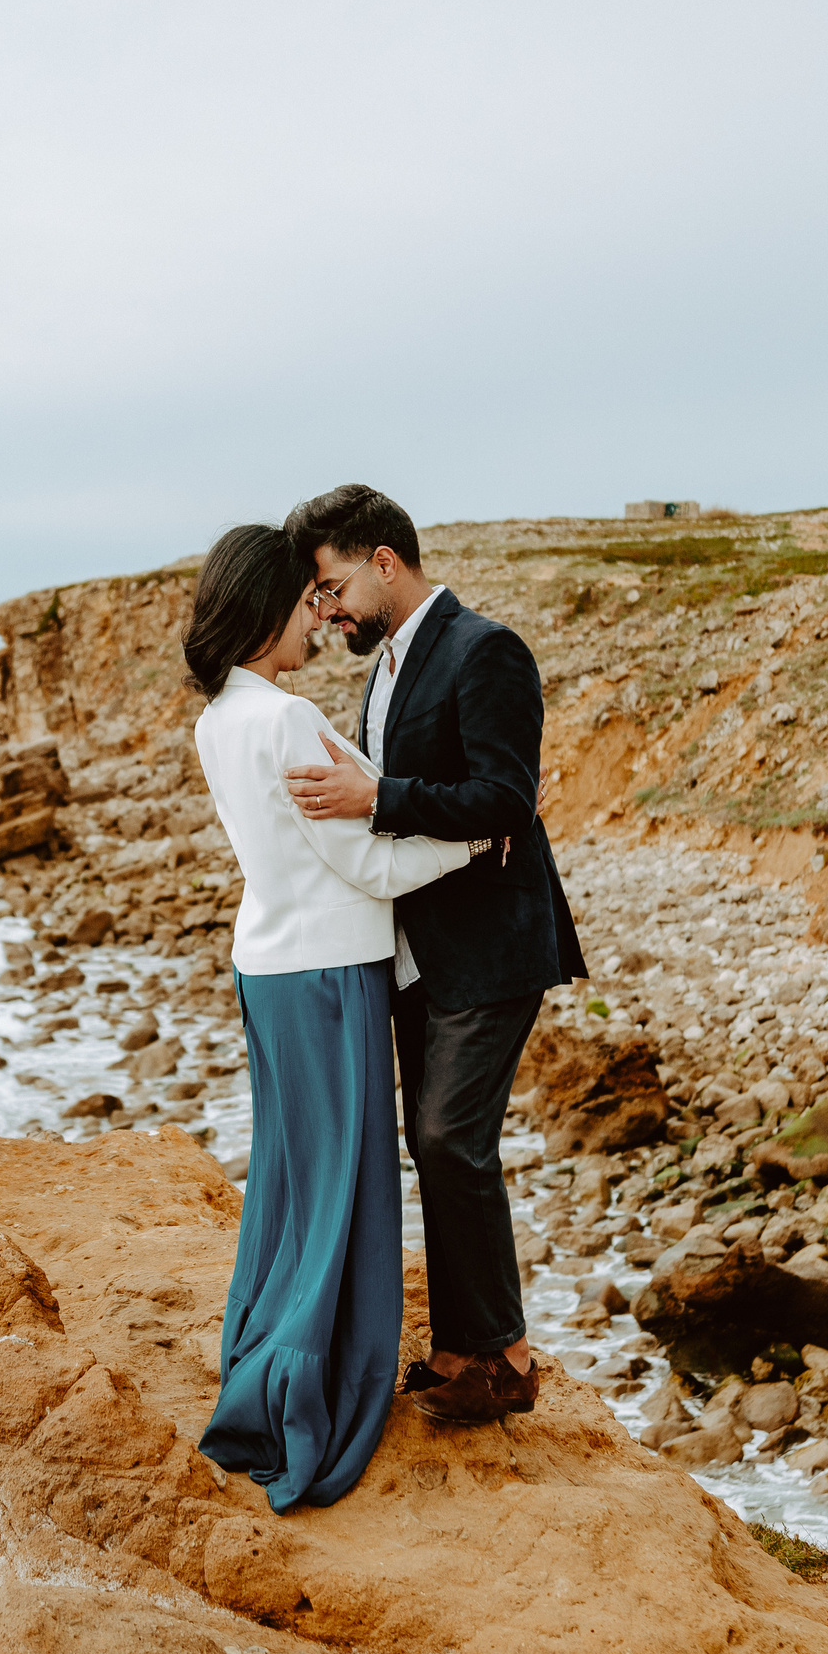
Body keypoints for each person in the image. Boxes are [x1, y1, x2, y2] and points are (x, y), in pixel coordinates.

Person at [181, 521, 483, 1512]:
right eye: (307, 599)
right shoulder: (285, 722)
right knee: (340, 1191)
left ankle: (261, 1358)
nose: (323, 614)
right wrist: (476, 843)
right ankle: (304, 1395)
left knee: (289, 1181)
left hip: (269, 966)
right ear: (267, 605)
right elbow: (366, 864)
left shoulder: (222, 716)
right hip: (327, 974)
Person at [280, 484, 587, 1425]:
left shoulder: (484, 648)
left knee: (453, 1138)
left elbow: (503, 795)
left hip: (493, 942)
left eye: (332, 588)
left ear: (384, 562)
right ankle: (463, 1350)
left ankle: (510, 1358)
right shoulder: (384, 670)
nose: (327, 610)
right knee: (435, 1143)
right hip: (419, 949)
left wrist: (376, 799)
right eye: (317, 600)